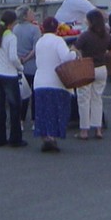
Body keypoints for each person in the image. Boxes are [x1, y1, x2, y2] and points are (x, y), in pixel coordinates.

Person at [33, 16, 77, 152]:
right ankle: (52, 138)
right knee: (56, 110)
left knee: (43, 111)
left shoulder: (39, 42)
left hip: (40, 81)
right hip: (55, 81)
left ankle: (45, 137)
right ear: (56, 28)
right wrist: (74, 53)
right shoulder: (58, 41)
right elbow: (65, 57)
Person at [73, 9, 111, 140]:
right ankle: (98, 129)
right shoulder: (106, 35)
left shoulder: (85, 36)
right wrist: (104, 55)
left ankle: (84, 131)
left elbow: (74, 48)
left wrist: (79, 56)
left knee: (84, 99)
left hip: (87, 67)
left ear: (90, 22)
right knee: (97, 98)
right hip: (101, 68)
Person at [0, 10, 27, 147]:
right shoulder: (11, 37)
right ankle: (15, 138)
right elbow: (13, 57)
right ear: (13, 23)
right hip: (9, 75)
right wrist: (20, 67)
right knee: (15, 107)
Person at [14, 5, 42, 129]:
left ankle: (20, 120)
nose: (33, 14)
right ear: (25, 16)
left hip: (20, 66)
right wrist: (27, 58)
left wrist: (21, 59)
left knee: (22, 95)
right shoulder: (35, 29)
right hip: (32, 66)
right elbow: (36, 49)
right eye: (31, 12)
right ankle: (35, 121)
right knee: (35, 94)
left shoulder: (15, 29)